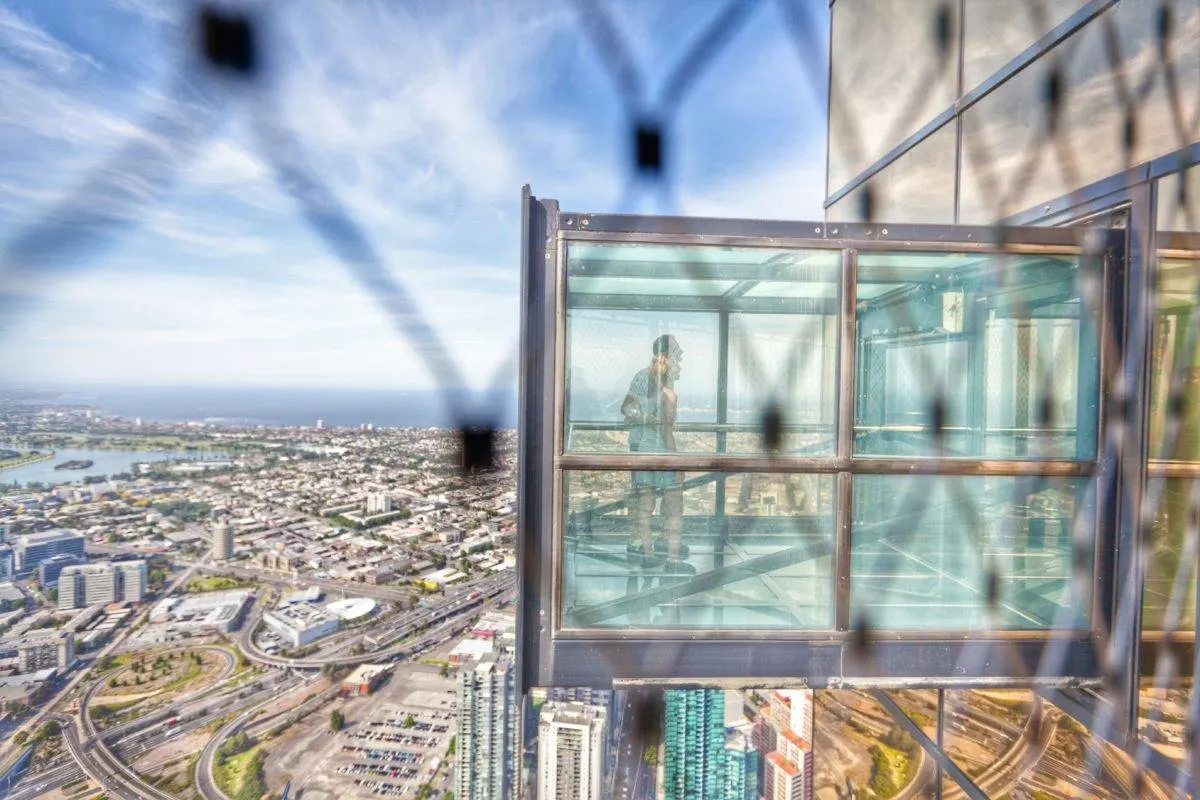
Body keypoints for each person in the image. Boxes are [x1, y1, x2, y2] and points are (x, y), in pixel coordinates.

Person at [621, 334, 694, 575]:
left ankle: (649, 550)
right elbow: (631, 409)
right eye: (677, 355)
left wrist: (644, 418)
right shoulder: (651, 381)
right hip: (654, 449)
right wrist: (677, 460)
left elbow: (629, 408)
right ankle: (666, 554)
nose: (680, 360)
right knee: (667, 500)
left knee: (646, 501)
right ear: (665, 357)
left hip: (643, 448)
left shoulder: (653, 379)